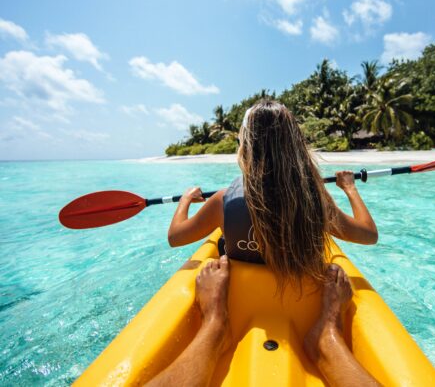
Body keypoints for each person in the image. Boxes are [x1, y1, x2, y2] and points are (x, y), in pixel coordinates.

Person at [149, 100, 380, 387]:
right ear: (295, 144)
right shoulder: (315, 199)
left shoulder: (223, 200)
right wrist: (350, 189)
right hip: (304, 301)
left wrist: (185, 201)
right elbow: (368, 235)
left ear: (245, 145)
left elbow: (176, 237)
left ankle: (215, 326)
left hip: (239, 299)